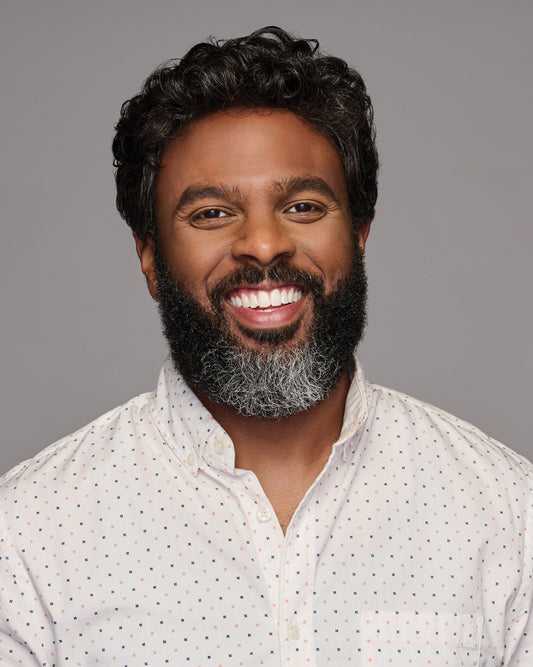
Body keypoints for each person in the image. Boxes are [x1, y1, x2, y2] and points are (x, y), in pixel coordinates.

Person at [0, 26, 530, 666]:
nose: (263, 244)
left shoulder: (509, 514)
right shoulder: (26, 537)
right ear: (149, 256)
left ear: (359, 234)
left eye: (303, 206)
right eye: (212, 213)